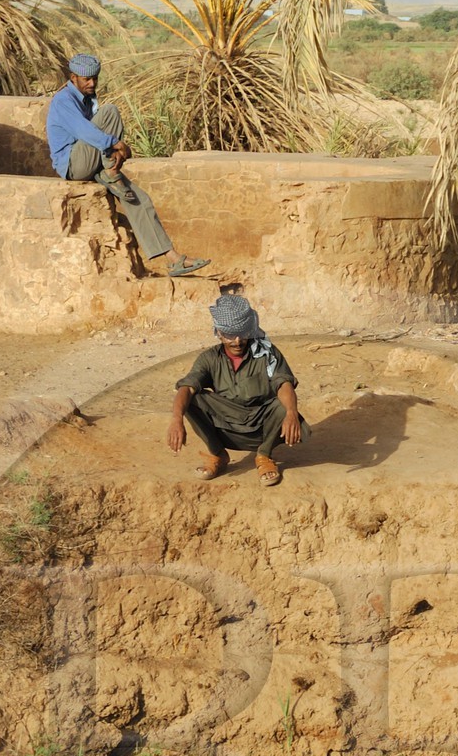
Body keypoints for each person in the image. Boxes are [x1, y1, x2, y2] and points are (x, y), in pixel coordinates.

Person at [46, 52, 209, 279]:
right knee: (110, 112)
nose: (92, 83)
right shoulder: (63, 100)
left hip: (92, 160)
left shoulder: (88, 99)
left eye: (95, 78)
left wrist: (113, 149)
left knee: (139, 199)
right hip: (74, 165)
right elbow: (85, 132)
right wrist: (116, 144)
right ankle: (111, 169)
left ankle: (174, 259)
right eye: (87, 79)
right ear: (73, 78)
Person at [168, 293, 304, 488]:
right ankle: (218, 454)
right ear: (218, 332)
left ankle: (264, 456)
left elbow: (283, 384)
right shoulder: (209, 358)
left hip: (262, 425)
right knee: (192, 399)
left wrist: (291, 412)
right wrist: (176, 419)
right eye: (230, 335)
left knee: (283, 405)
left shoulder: (267, 353)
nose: (238, 341)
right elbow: (187, 388)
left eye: (242, 333)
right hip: (227, 423)